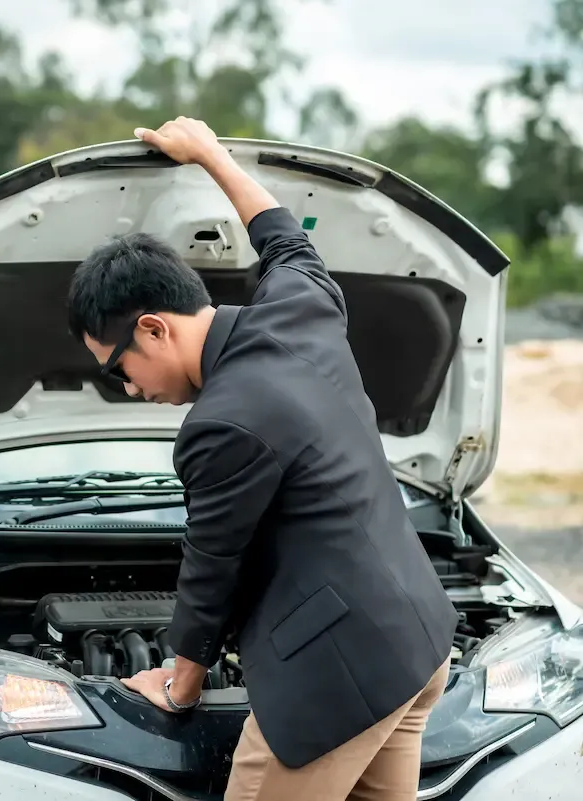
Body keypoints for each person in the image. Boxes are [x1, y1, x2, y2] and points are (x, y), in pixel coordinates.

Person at [65, 117, 457, 801]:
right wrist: (210, 155)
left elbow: (213, 565)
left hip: (335, 686)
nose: (127, 389)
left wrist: (181, 683)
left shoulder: (219, 423)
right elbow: (283, 235)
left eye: (118, 368)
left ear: (153, 328)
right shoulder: (302, 304)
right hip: (415, 646)